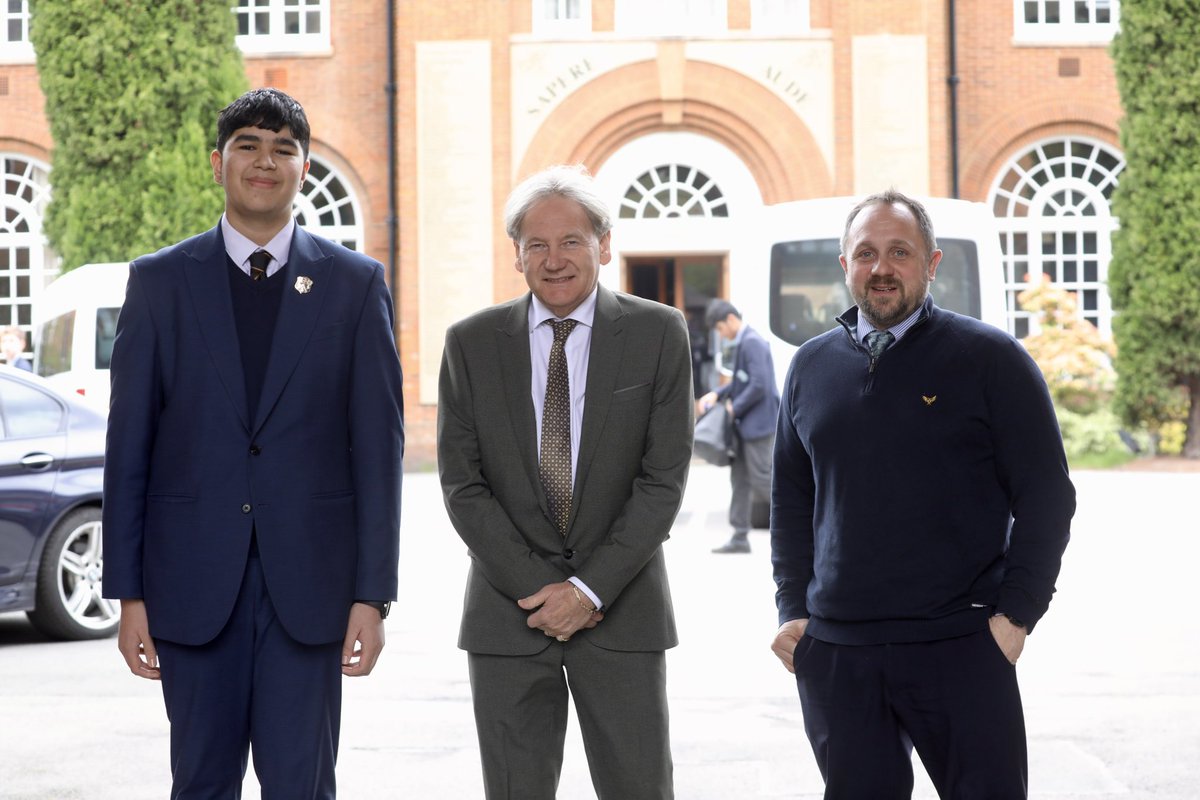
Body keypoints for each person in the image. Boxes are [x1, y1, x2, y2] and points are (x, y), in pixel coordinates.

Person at [102, 88, 404, 799]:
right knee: (201, 784)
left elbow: (379, 449)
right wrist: (129, 596)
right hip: (191, 589)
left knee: (302, 784)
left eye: (283, 149)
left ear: (304, 169)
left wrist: (373, 595)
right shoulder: (159, 282)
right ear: (218, 163)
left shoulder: (357, 286)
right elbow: (129, 449)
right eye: (248, 145)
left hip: (311, 592)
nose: (265, 161)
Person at [769, 189, 1075, 798]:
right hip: (840, 652)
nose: (881, 268)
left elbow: (1047, 497)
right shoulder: (809, 366)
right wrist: (794, 611)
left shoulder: (991, 359)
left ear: (931, 263)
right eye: (866, 253)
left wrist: (1016, 618)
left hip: (960, 647)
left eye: (900, 252)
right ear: (845, 265)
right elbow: (792, 501)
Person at [437, 164, 693, 800]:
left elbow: (662, 484)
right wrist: (540, 590)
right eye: (537, 245)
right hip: (507, 617)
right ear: (517, 255)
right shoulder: (469, 343)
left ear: (604, 245)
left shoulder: (660, 333)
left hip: (623, 612)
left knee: (640, 789)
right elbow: (462, 487)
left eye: (571, 241)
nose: (554, 260)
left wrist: (587, 590)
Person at [696, 300, 779, 554]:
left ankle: (801, 528)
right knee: (740, 479)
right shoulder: (745, 341)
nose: (721, 334)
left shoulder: (752, 342)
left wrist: (735, 407)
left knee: (763, 479)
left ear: (731, 319)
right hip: (747, 426)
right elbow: (742, 381)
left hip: (758, 426)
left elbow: (759, 384)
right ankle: (740, 537)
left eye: (720, 328)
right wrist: (718, 393)